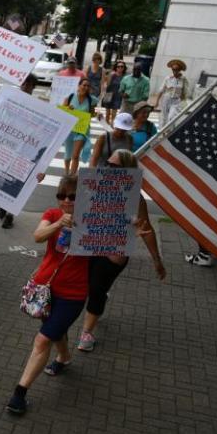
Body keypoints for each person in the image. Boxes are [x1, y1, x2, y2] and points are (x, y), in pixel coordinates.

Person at [6, 176, 89, 415]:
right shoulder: (53, 214)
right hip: (46, 290)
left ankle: (19, 394)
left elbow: (113, 258)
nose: (66, 200)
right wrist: (59, 224)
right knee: (54, 330)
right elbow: (38, 236)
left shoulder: (93, 222)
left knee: (43, 339)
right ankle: (64, 358)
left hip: (73, 294)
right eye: (61, 195)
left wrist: (129, 235)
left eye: (72, 197)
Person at [76, 149, 166, 352]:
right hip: (90, 245)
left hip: (114, 251)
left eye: (114, 166)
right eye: (107, 164)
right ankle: (99, 300)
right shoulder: (92, 186)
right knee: (91, 287)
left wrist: (157, 260)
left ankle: (86, 333)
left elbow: (146, 229)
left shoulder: (136, 198)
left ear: (127, 170)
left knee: (97, 290)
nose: (108, 169)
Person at [0, 73, 40, 229]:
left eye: (28, 84)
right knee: (3, 177)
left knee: (17, 181)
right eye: (23, 83)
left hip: (25, 149)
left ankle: (10, 214)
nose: (25, 86)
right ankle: (3, 205)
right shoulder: (13, 97)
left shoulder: (37, 105)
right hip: (8, 145)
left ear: (33, 87)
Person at [61, 77, 98, 176]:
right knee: (68, 154)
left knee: (75, 155)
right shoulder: (70, 97)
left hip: (82, 130)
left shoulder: (92, 100)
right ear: (79, 86)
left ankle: (72, 176)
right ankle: (66, 173)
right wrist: (68, 109)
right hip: (69, 129)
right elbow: (62, 112)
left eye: (88, 86)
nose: (86, 87)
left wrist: (97, 115)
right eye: (84, 85)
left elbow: (91, 114)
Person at [155, 59, 190, 129]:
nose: (174, 71)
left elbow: (185, 92)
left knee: (171, 117)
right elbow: (161, 90)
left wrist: (183, 101)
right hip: (166, 99)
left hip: (176, 101)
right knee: (164, 117)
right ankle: (162, 131)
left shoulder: (183, 79)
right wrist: (157, 102)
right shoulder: (168, 78)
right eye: (173, 69)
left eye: (176, 69)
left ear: (180, 70)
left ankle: (169, 130)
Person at [102, 61, 126, 126]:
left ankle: (111, 127)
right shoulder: (112, 74)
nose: (120, 68)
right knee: (107, 113)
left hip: (118, 96)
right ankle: (106, 127)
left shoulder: (124, 77)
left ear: (124, 68)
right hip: (109, 95)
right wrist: (110, 75)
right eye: (118, 66)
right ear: (116, 67)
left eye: (122, 67)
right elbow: (107, 84)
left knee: (114, 114)